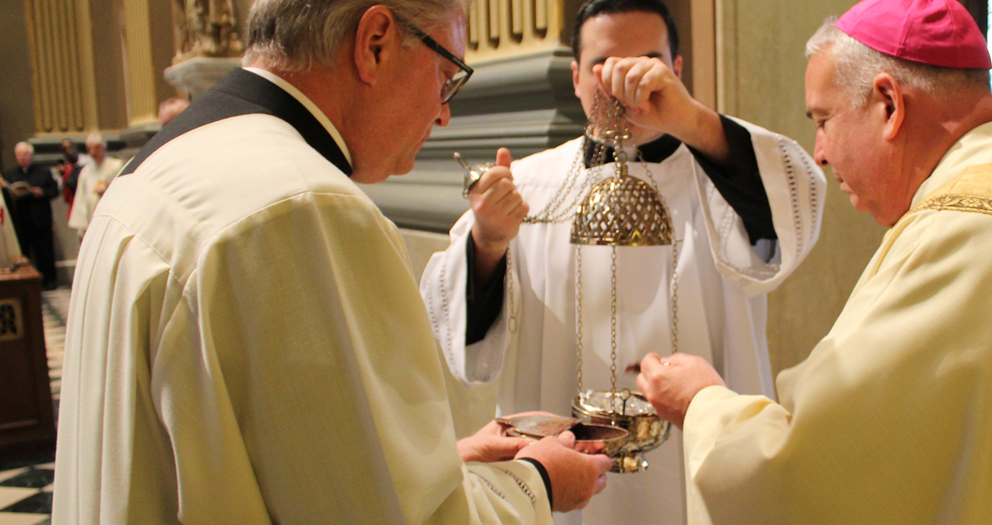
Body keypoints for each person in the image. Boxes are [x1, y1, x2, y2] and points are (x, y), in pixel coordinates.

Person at [52, 0, 612, 522]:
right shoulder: (304, 209)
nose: (443, 114)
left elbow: (258, 463)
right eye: (446, 76)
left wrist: (448, 459)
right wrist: (537, 479)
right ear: (375, 43)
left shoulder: (161, 166)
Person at [636, 1, 992, 523]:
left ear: (889, 103)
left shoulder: (963, 233)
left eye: (824, 119)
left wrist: (702, 405)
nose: (819, 151)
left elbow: (813, 469)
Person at [420, 1, 826, 523]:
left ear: (677, 72)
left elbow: (796, 203)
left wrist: (691, 120)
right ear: (574, 77)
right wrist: (488, 245)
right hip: (564, 478)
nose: (625, 80)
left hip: (701, 469)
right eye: (603, 65)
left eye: (647, 61)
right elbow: (464, 336)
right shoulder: (526, 187)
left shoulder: (730, 172)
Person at [3, 142, 60, 289]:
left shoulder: (44, 172)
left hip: (40, 219)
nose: (23, 158)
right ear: (16, 157)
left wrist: (42, 192)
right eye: (20, 155)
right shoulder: (9, 175)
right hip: (21, 221)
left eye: (26, 154)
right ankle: (26, 283)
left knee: (45, 252)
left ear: (32, 156)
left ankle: (49, 281)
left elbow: (54, 191)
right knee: (23, 254)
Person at [67, 133, 124, 236]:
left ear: (104, 148)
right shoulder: (86, 171)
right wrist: (82, 225)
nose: (92, 152)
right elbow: (81, 199)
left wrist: (107, 187)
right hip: (92, 222)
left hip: (112, 220)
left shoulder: (116, 166)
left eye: (96, 148)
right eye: (89, 149)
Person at [57, 138, 83, 217]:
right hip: (74, 204)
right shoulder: (66, 168)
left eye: (70, 147)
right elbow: (63, 193)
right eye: (65, 149)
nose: (68, 151)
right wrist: (63, 176)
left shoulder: (87, 162)